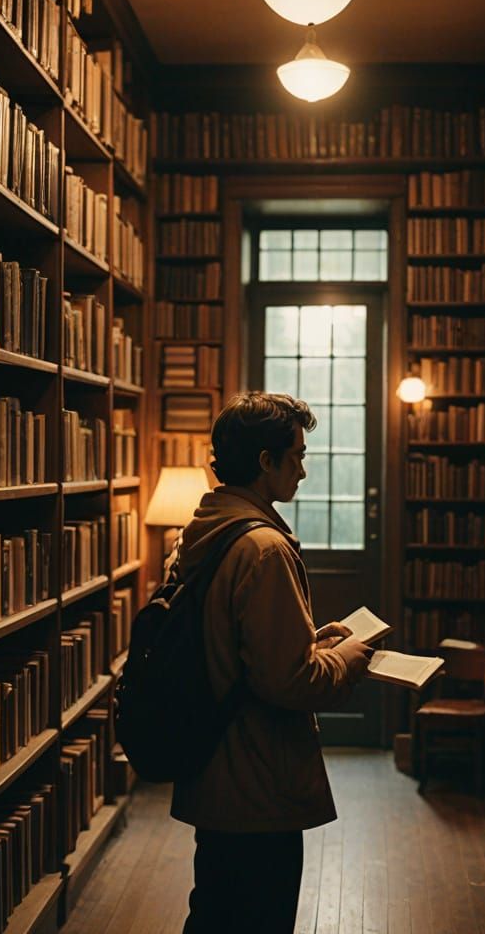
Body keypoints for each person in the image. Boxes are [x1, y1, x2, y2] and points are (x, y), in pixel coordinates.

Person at [172, 391, 373, 933]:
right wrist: (349, 659)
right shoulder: (264, 548)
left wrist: (311, 640)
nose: (304, 472)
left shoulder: (207, 531)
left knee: (215, 911)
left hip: (214, 769)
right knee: (259, 917)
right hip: (258, 780)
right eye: (298, 456)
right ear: (267, 462)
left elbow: (240, 651)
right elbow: (291, 682)